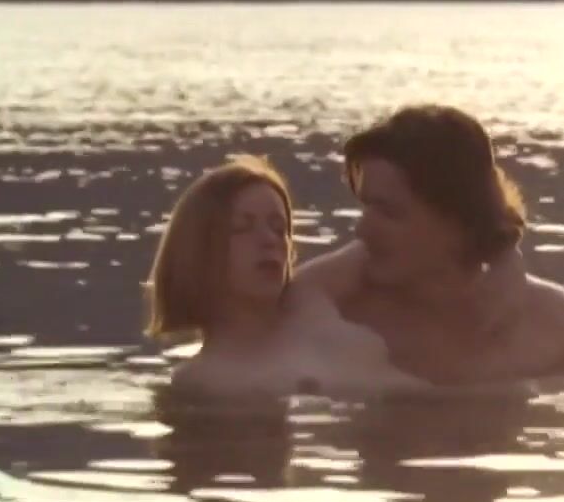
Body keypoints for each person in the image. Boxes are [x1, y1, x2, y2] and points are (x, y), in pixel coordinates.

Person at [294, 104, 564, 385]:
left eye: (389, 213)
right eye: (366, 207)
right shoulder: (344, 317)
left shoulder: (559, 327)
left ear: (458, 219)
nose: (362, 229)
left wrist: (504, 251)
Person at [143, 153, 428, 398]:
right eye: (242, 228)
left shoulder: (307, 299)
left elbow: (401, 238)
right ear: (199, 250)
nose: (270, 240)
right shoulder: (202, 381)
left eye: (279, 229)